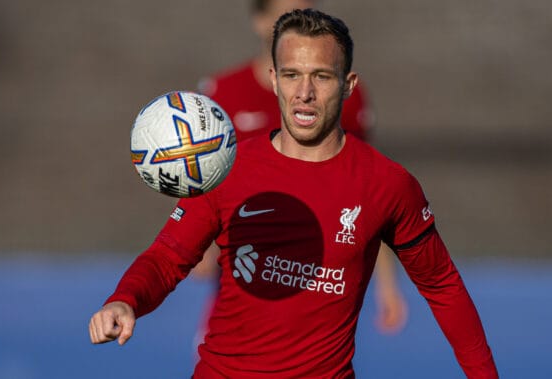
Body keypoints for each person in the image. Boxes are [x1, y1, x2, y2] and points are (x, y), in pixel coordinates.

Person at [89, 8, 498, 378]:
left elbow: (442, 285)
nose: (304, 92)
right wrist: (125, 300)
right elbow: (168, 257)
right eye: (291, 75)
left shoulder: (388, 184)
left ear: (348, 84)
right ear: (273, 79)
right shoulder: (227, 169)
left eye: (321, 76)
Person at [195, 0, 407, 334]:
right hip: (241, 287)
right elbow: (204, 180)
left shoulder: (341, 98)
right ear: (260, 20)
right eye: (285, 13)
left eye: (306, 10)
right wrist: (202, 242)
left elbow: (368, 196)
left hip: (319, 288)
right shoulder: (223, 93)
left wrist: (387, 285)